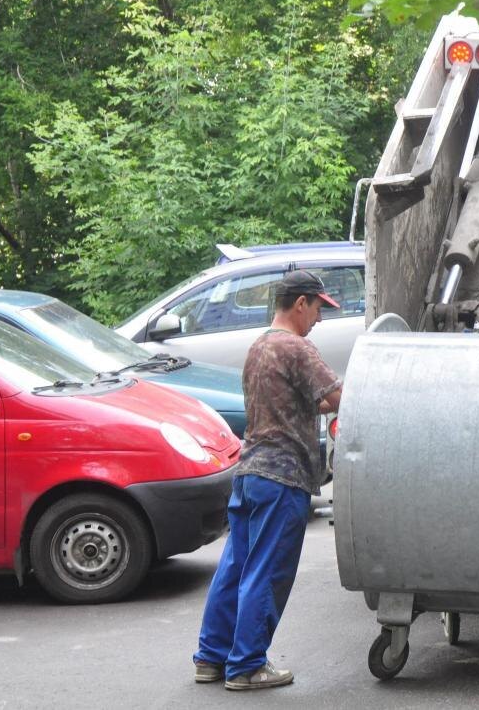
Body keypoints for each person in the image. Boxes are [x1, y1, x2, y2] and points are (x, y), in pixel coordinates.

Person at [192, 270, 343, 689]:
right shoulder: (296, 347)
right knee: (267, 571)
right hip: (282, 477)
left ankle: (212, 658)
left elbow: (290, 400)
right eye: (318, 308)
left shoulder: (259, 346)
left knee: (235, 568)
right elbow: (338, 398)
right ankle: (247, 665)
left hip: (249, 473)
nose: (319, 319)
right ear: (301, 303)